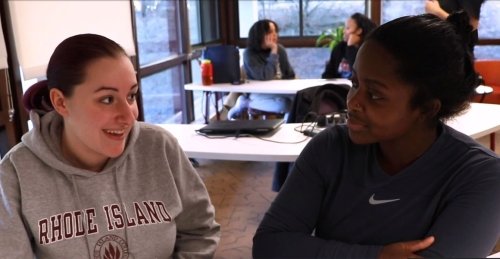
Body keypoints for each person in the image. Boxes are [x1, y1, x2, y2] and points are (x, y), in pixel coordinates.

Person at [253, 11, 500, 258]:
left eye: (375, 95)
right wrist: (377, 256)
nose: (352, 103)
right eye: (355, 83)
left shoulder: (479, 175)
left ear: (426, 108)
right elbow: (269, 245)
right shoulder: (331, 148)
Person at [0, 34, 220, 258]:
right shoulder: (15, 174)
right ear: (61, 102)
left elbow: (200, 232)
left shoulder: (159, 148)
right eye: (107, 99)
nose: (129, 116)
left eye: (131, 96)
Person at [227, 19, 296, 119]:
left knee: (300, 101)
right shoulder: (249, 53)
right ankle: (245, 103)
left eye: (275, 31)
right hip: (259, 93)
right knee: (285, 105)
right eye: (270, 32)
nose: (275, 35)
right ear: (260, 35)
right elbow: (265, 76)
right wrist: (273, 51)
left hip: (280, 91)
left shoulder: (280, 49)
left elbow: (290, 74)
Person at [322, 13, 377, 79]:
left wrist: (350, 47)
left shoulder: (369, 50)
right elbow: (327, 74)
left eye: (347, 28)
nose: (343, 31)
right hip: (341, 87)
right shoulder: (340, 47)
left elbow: (359, 74)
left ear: (359, 31)